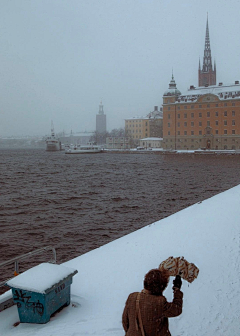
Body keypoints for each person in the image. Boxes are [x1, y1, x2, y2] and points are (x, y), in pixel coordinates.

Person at [122, 269, 183, 336]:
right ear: (161, 287)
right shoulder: (160, 302)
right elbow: (177, 309)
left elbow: (125, 321)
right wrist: (177, 290)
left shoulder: (132, 297)